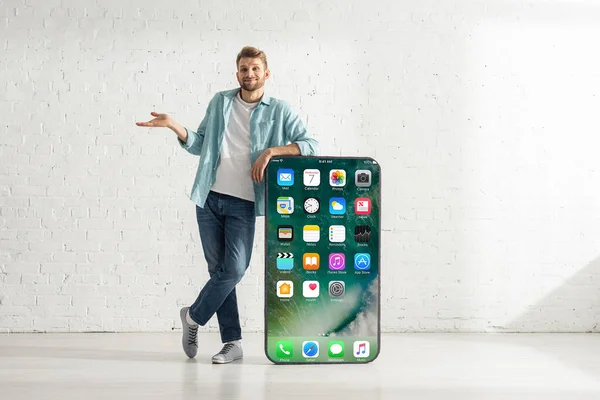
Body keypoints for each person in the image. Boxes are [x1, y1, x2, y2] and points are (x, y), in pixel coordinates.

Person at [135, 46, 319, 364]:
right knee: (220, 272)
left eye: (255, 69)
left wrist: (271, 152)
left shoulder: (280, 110)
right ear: (237, 74)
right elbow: (200, 143)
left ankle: (193, 316)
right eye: (244, 69)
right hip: (208, 198)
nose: (249, 74)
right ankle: (232, 342)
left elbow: (310, 145)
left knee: (233, 270)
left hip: (245, 203)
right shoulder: (221, 102)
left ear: (266, 74)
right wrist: (173, 126)